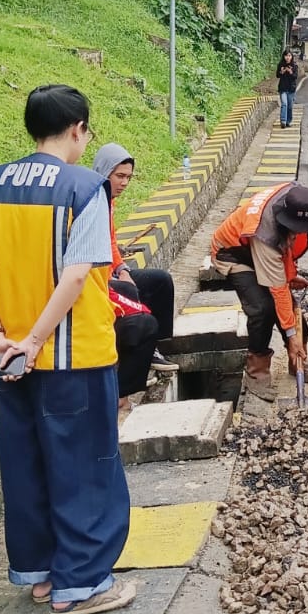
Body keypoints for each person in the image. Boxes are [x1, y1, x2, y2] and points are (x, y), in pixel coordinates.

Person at [0, 84, 134, 614]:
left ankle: (41, 575)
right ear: (78, 128)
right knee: (84, 467)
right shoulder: (85, 188)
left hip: (6, 361)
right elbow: (78, 274)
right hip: (72, 356)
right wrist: (37, 339)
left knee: (27, 463)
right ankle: (79, 587)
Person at [209, 182, 308, 381]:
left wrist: (290, 276)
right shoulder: (265, 231)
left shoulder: (297, 199)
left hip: (260, 250)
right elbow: (278, 290)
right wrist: (292, 336)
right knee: (262, 309)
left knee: (293, 315)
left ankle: (298, 359)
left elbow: (286, 250)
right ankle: (258, 370)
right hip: (235, 253)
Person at [91, 143, 178, 412]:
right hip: (96, 284)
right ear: (104, 172)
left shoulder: (109, 202)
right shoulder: (90, 203)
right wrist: (114, 279)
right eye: (120, 176)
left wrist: (123, 270)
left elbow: (111, 242)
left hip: (111, 274)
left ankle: (153, 349)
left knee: (160, 281)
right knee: (136, 306)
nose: (125, 182)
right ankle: (122, 390)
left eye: (128, 177)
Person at [276, 50, 298, 129]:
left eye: (289, 56)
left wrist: (291, 72)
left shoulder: (294, 65)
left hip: (291, 88)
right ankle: (283, 121)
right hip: (283, 88)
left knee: (289, 106)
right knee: (284, 104)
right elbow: (277, 75)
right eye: (286, 56)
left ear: (291, 57)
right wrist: (282, 72)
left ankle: (288, 121)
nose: (287, 57)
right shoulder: (281, 65)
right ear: (284, 56)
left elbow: (295, 76)